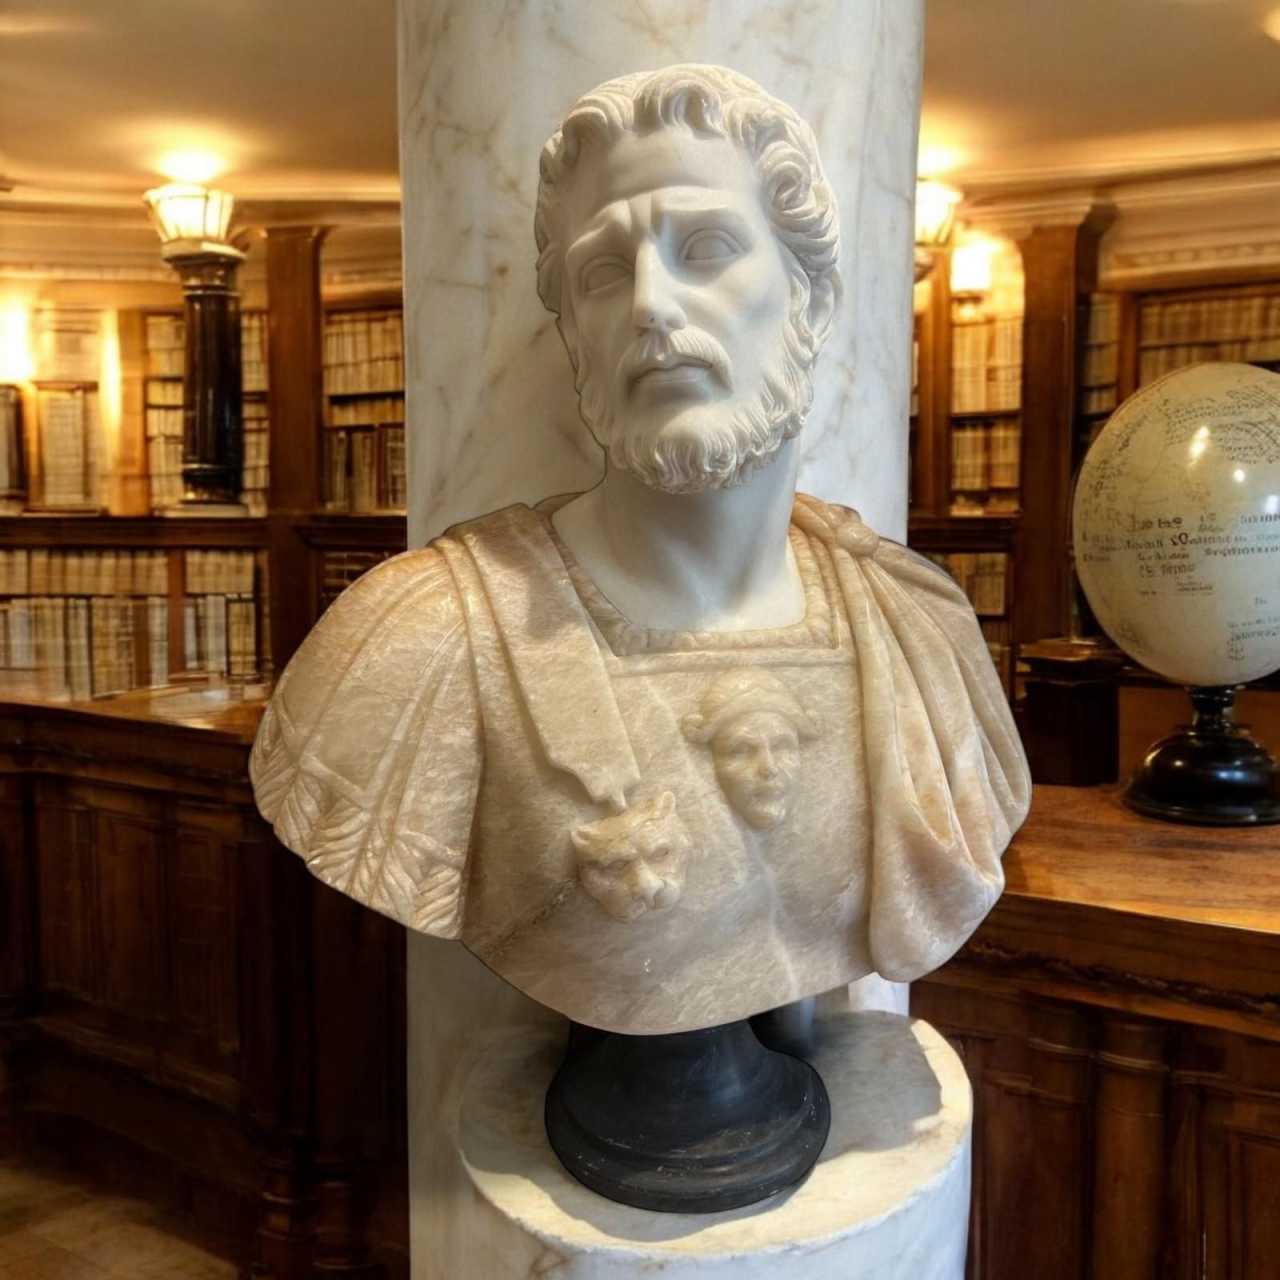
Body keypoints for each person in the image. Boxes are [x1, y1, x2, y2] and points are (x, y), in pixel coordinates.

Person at [250, 65, 1030, 1036]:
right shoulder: (425, 635)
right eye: (604, 272)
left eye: (705, 248)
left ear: (809, 297)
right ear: (574, 329)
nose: (652, 305)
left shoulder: (918, 626)